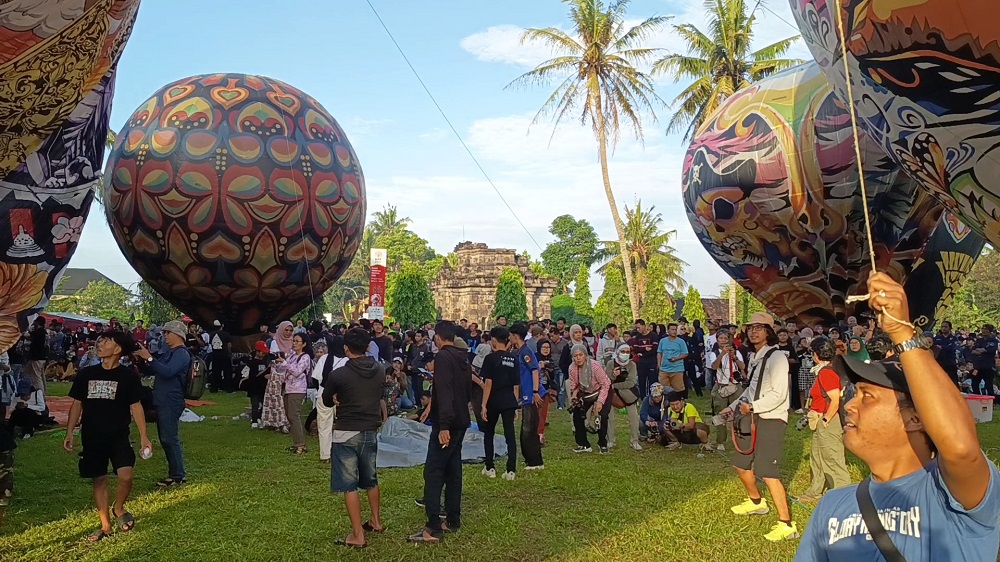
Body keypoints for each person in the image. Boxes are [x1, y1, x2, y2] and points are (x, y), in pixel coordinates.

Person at [794, 273, 1000, 561]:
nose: (850, 405)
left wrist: (902, 332)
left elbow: (962, 449)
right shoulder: (832, 505)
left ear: (915, 418)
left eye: (868, 396)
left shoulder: (953, 494)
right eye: (855, 394)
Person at [64, 331, 152, 542]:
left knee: (126, 476)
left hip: (118, 435)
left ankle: (118, 507)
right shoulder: (86, 374)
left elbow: (136, 406)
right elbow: (77, 404)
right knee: (99, 478)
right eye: (99, 341)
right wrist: (69, 432)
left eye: (106, 341)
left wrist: (144, 436)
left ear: (118, 349)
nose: (100, 344)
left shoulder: (128, 376)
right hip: (92, 436)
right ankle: (105, 525)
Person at [721, 312, 798, 542]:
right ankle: (756, 502)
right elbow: (750, 390)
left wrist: (751, 407)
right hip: (752, 414)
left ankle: (786, 524)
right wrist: (734, 407)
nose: (754, 331)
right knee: (740, 463)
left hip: (771, 418)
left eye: (759, 328)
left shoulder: (777, 358)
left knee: (768, 471)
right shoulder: (756, 357)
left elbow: (779, 394)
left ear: (769, 332)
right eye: (751, 328)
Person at [322, 327, 387, 549]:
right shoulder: (380, 370)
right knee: (371, 478)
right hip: (370, 430)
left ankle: (358, 535)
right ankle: (376, 521)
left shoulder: (338, 374)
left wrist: (338, 399)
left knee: (349, 484)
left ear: (345, 348)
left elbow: (326, 399)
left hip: (346, 432)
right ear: (368, 346)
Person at [410, 322, 471, 543]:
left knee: (434, 471)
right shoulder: (462, 357)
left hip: (449, 422)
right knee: (453, 471)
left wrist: (443, 425)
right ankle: (453, 519)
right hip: (461, 419)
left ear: (437, 338)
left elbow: (445, 391)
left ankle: (433, 527)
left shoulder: (444, 358)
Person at [134, 320, 189, 488]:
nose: (165, 336)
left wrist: (149, 357)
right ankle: (176, 473)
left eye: (168, 333)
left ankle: (177, 475)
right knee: (166, 438)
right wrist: (143, 359)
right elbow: (154, 369)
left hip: (171, 400)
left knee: (169, 438)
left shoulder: (181, 354)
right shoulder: (169, 352)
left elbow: (168, 371)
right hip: (163, 399)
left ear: (178, 334)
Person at [797, 337, 851, 503]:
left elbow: (834, 399)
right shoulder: (826, 369)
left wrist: (826, 419)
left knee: (832, 458)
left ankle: (842, 495)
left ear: (816, 354)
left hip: (828, 419)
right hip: (822, 418)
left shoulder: (827, 372)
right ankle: (815, 491)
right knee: (818, 457)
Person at [479, 326, 519, 481]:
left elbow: (488, 383)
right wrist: (516, 405)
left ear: (494, 340)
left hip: (493, 401)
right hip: (509, 400)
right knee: (510, 435)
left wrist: (483, 405)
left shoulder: (490, 358)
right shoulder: (513, 358)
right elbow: (516, 385)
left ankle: (490, 467)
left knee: (489, 434)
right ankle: (511, 470)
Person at [509, 323, 545, 470]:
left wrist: (535, 392)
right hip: (525, 396)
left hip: (531, 396)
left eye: (510, 335)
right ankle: (531, 460)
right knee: (526, 430)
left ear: (516, 336)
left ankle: (535, 462)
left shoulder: (526, 352)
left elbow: (535, 371)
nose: (509, 338)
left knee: (529, 430)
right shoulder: (518, 352)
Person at [272, 334, 313, 455]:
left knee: (293, 416)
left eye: (297, 341)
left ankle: (301, 445)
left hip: (298, 390)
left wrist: (284, 363)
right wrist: (277, 363)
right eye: (293, 341)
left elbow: (296, 371)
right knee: (290, 417)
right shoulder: (292, 356)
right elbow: (282, 370)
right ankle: (297, 443)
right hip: (288, 389)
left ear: (304, 344)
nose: (294, 343)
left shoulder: (305, 357)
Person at [568, 343, 612, 453]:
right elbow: (574, 384)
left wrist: (600, 402)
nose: (578, 358)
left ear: (585, 355)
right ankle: (583, 444)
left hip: (601, 390)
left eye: (580, 355)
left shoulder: (595, 366)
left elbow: (605, 384)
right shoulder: (572, 368)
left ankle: (602, 443)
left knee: (601, 416)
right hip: (586, 392)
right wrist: (574, 394)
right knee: (577, 416)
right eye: (575, 356)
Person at [605, 343, 642, 450]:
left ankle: (635, 441)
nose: (625, 354)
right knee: (609, 417)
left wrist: (615, 385)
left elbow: (631, 382)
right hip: (611, 394)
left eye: (627, 352)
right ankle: (611, 440)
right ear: (617, 352)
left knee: (634, 417)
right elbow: (606, 380)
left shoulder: (632, 365)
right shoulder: (611, 364)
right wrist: (613, 376)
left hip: (628, 394)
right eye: (623, 351)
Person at [710, 334, 744, 452]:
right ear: (717, 340)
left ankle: (742, 439)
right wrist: (722, 354)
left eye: (725, 339)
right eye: (721, 338)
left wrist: (734, 357)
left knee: (740, 411)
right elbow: (714, 367)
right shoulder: (714, 353)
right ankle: (720, 441)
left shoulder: (736, 352)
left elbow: (743, 366)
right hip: (721, 385)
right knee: (720, 413)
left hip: (734, 385)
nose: (723, 341)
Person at [237, 341, 270, 428]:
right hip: (254, 387)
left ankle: (260, 417)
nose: (263, 354)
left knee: (264, 404)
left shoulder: (264, 362)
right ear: (257, 352)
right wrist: (265, 371)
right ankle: (254, 420)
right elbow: (253, 375)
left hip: (262, 387)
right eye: (262, 352)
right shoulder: (252, 363)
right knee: (255, 404)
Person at [629, 320, 659, 398]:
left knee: (652, 381)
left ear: (644, 326)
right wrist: (645, 349)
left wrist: (642, 353)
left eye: (639, 327)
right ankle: (643, 398)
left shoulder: (653, 335)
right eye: (636, 328)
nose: (638, 329)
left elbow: (655, 349)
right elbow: (635, 350)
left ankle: (652, 397)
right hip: (641, 362)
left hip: (651, 361)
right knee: (642, 381)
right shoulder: (637, 337)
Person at [657, 323, 689, 394]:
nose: (674, 331)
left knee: (678, 390)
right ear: (668, 330)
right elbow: (659, 353)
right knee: (663, 389)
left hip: (677, 369)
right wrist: (659, 365)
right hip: (664, 369)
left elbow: (685, 353)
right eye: (672, 329)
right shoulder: (662, 341)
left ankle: (679, 403)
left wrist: (676, 359)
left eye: (675, 330)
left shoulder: (681, 341)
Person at [207, 320, 232, 393]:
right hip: (224, 354)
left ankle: (214, 388)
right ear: (222, 325)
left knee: (215, 372)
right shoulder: (226, 334)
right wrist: (229, 352)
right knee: (227, 372)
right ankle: (228, 388)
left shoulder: (210, 334)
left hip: (215, 354)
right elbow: (229, 345)